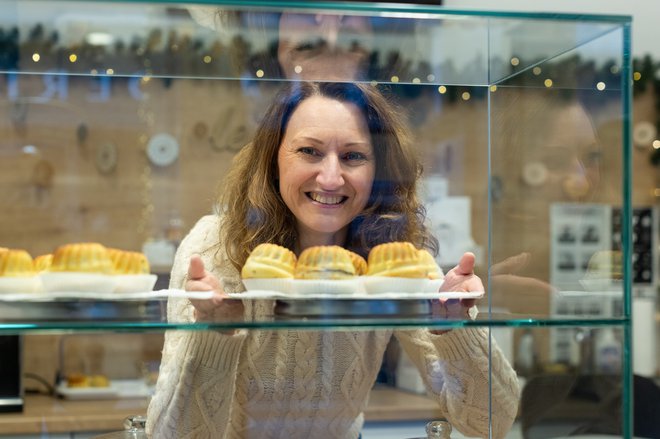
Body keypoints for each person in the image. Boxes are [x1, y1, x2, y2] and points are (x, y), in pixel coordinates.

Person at [146, 82, 520, 439]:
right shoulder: (215, 247)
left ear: (380, 172)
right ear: (272, 159)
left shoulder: (395, 259)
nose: (330, 178)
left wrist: (453, 327)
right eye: (309, 151)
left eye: (353, 156)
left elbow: (490, 422)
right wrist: (216, 335)